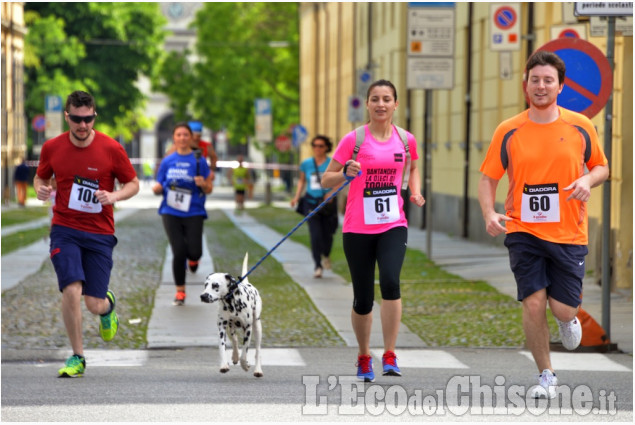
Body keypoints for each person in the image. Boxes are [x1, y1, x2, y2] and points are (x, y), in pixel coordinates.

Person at [477, 50, 609, 399]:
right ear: (526, 85)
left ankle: (567, 318)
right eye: (534, 79)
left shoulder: (580, 125)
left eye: (548, 80)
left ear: (560, 86)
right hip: (524, 230)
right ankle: (546, 375)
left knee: (563, 306)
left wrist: (587, 182)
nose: (540, 86)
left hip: (569, 231)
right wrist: (490, 213)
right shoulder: (509, 130)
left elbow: (601, 166)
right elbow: (488, 178)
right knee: (533, 302)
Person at [321, 79, 425, 382]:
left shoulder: (406, 140)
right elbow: (326, 179)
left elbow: (413, 167)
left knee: (391, 282)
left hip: (393, 223)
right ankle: (364, 355)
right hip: (358, 227)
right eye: (375, 99)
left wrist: (414, 192)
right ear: (367, 104)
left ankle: (390, 353)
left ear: (395, 104)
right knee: (363, 297)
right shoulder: (353, 140)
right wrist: (344, 173)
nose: (381, 104)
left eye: (387, 99)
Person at [33, 90, 140, 378]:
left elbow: (133, 183)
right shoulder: (53, 147)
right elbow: (41, 176)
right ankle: (78, 357)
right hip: (65, 229)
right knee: (71, 289)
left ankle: (108, 307)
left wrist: (114, 195)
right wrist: (40, 188)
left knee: (93, 303)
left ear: (95, 116)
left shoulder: (111, 148)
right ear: (67, 116)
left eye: (88, 119)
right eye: (77, 120)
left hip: (99, 233)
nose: (83, 126)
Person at [153, 123, 213, 305]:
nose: (182, 138)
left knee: (195, 251)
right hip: (170, 211)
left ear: (190, 138)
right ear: (174, 138)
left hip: (194, 210)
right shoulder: (167, 161)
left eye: (185, 135)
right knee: (178, 251)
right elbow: (159, 184)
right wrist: (156, 188)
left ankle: (193, 261)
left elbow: (209, 188)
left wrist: (203, 183)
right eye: (178, 135)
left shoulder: (199, 160)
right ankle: (180, 292)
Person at [290, 135, 341, 278]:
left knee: (328, 234)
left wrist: (331, 193)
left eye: (321, 146)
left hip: (327, 203)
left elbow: (339, 180)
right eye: (315, 145)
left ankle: (326, 254)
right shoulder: (306, 164)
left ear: (326, 148)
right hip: (311, 202)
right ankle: (317, 265)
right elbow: (301, 181)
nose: (317, 148)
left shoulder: (332, 163)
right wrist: (296, 197)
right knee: (315, 234)